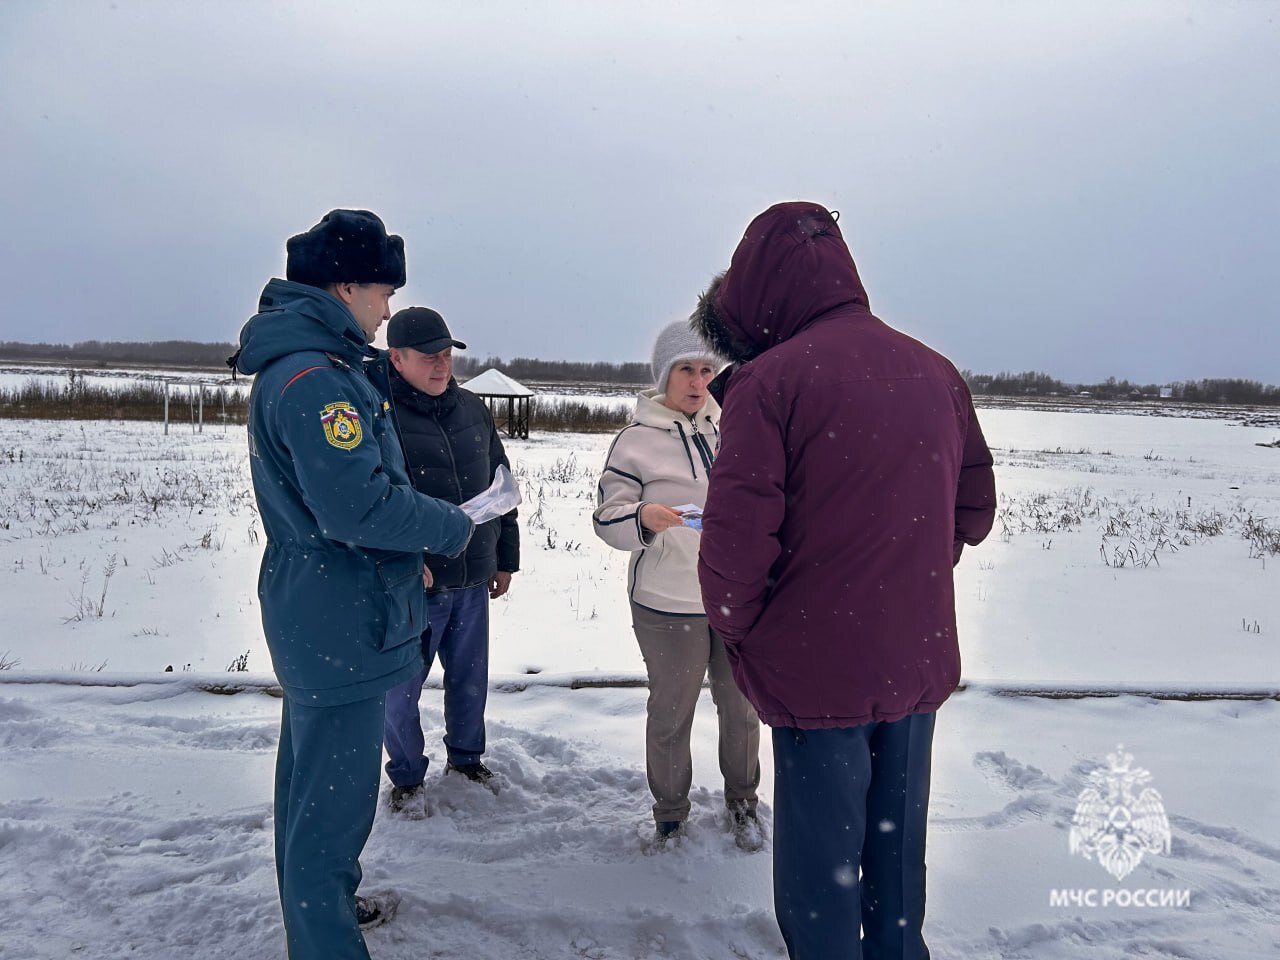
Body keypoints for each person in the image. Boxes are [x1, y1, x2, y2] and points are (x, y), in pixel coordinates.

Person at [691, 201, 996, 959]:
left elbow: (734, 553)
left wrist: (741, 631)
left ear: (762, 294)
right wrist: (903, 570)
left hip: (816, 673)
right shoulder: (936, 372)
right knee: (894, 863)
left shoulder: (769, 383)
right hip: (913, 661)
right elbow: (974, 511)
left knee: (820, 879)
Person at [232, 210, 474, 960]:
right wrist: (446, 527)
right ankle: (325, 938)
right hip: (339, 616)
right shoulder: (314, 380)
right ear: (342, 286)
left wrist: (406, 557)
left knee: (310, 790)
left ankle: (323, 906)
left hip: (328, 605)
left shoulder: (314, 367)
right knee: (331, 805)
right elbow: (356, 506)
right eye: (380, 293)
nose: (387, 311)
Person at [592, 320, 762, 848]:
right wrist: (644, 517)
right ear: (663, 376)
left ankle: (744, 803)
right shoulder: (635, 442)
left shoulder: (735, 428)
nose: (697, 380)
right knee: (672, 712)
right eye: (686, 369)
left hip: (734, 597)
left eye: (707, 369)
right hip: (667, 603)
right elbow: (606, 518)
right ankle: (670, 814)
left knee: (742, 708)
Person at [372, 306, 520, 816]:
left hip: (474, 577)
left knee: (470, 677)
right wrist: (405, 556)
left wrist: (505, 557)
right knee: (400, 687)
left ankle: (465, 759)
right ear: (396, 357)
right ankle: (408, 776)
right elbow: (372, 502)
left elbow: (502, 487)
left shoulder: (473, 409)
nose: (441, 366)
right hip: (415, 582)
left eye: (446, 355)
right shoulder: (378, 411)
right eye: (428, 356)